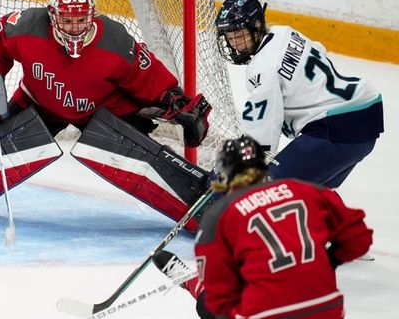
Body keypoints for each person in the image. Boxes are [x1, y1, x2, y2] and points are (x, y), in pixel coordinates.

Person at [0, 0, 212, 228]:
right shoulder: (29, 25)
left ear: (92, 16)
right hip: (39, 103)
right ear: (52, 15)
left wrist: (175, 100)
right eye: (67, 20)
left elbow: (149, 75)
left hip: (103, 108)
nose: (74, 28)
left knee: (142, 155)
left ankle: (199, 203)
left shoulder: (115, 40)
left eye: (81, 20)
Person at [155, 135, 373, 319]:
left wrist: (198, 286)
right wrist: (328, 262)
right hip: (327, 308)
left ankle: (187, 280)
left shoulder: (221, 217)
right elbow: (358, 238)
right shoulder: (308, 191)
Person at [215, 0, 383, 188]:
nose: (235, 43)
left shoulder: (262, 67)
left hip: (335, 130)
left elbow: (262, 133)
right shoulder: (284, 32)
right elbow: (319, 49)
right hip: (366, 115)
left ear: (257, 26)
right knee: (313, 192)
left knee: (268, 190)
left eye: (240, 35)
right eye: (230, 37)